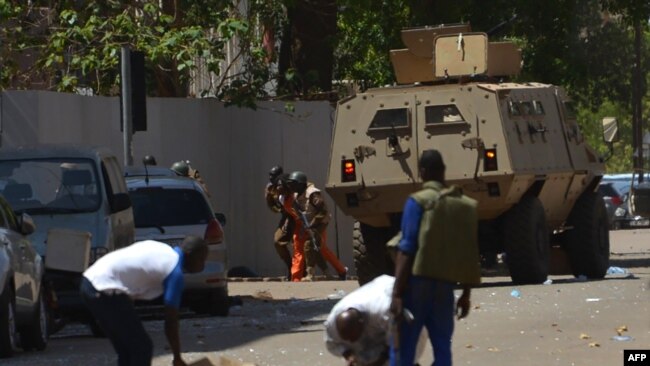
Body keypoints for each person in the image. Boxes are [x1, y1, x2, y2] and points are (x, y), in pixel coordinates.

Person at [389, 149, 481, 366]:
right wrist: (466, 294)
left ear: (422, 172)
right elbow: (469, 252)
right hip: (445, 287)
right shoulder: (462, 204)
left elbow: (407, 248)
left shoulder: (418, 202)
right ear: (443, 171)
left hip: (417, 285)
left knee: (403, 348)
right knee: (442, 347)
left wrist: (397, 293)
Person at [80, 236, 209, 366]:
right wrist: (177, 358)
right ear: (191, 255)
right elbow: (171, 322)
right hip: (104, 288)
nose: (203, 265)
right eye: (202, 259)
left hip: (91, 282)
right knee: (142, 348)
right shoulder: (174, 272)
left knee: (128, 351)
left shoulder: (164, 251)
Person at [325, 275, 426, 366]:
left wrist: (377, 362)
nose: (352, 341)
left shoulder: (385, 310)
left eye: (355, 337)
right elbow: (331, 343)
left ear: (362, 322)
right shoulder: (332, 324)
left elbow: (396, 343)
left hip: (402, 304)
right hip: (377, 318)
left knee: (402, 357)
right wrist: (349, 355)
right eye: (348, 339)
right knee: (363, 356)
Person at [285, 171, 347, 282]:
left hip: (320, 221)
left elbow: (323, 212)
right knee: (316, 248)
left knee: (309, 245)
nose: (290, 186)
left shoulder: (313, 194)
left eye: (293, 184)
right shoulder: (295, 194)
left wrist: (312, 225)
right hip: (308, 222)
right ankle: (328, 272)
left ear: (300, 184)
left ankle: (310, 274)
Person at [264, 165, 294, 279]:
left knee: (298, 243)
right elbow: (272, 205)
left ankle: (301, 271)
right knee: (278, 241)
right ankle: (290, 266)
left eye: (273, 175)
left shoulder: (287, 183)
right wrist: (280, 210)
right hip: (286, 215)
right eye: (270, 175)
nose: (270, 178)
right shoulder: (270, 188)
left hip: (296, 215)